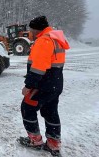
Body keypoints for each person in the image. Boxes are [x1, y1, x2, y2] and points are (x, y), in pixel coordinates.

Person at [17, 16, 70, 156]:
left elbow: (38, 68)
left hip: (42, 86)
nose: (31, 32)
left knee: (27, 108)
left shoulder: (44, 40)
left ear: (36, 29)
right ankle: (53, 144)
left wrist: (28, 86)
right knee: (50, 112)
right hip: (55, 84)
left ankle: (35, 141)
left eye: (32, 29)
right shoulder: (55, 39)